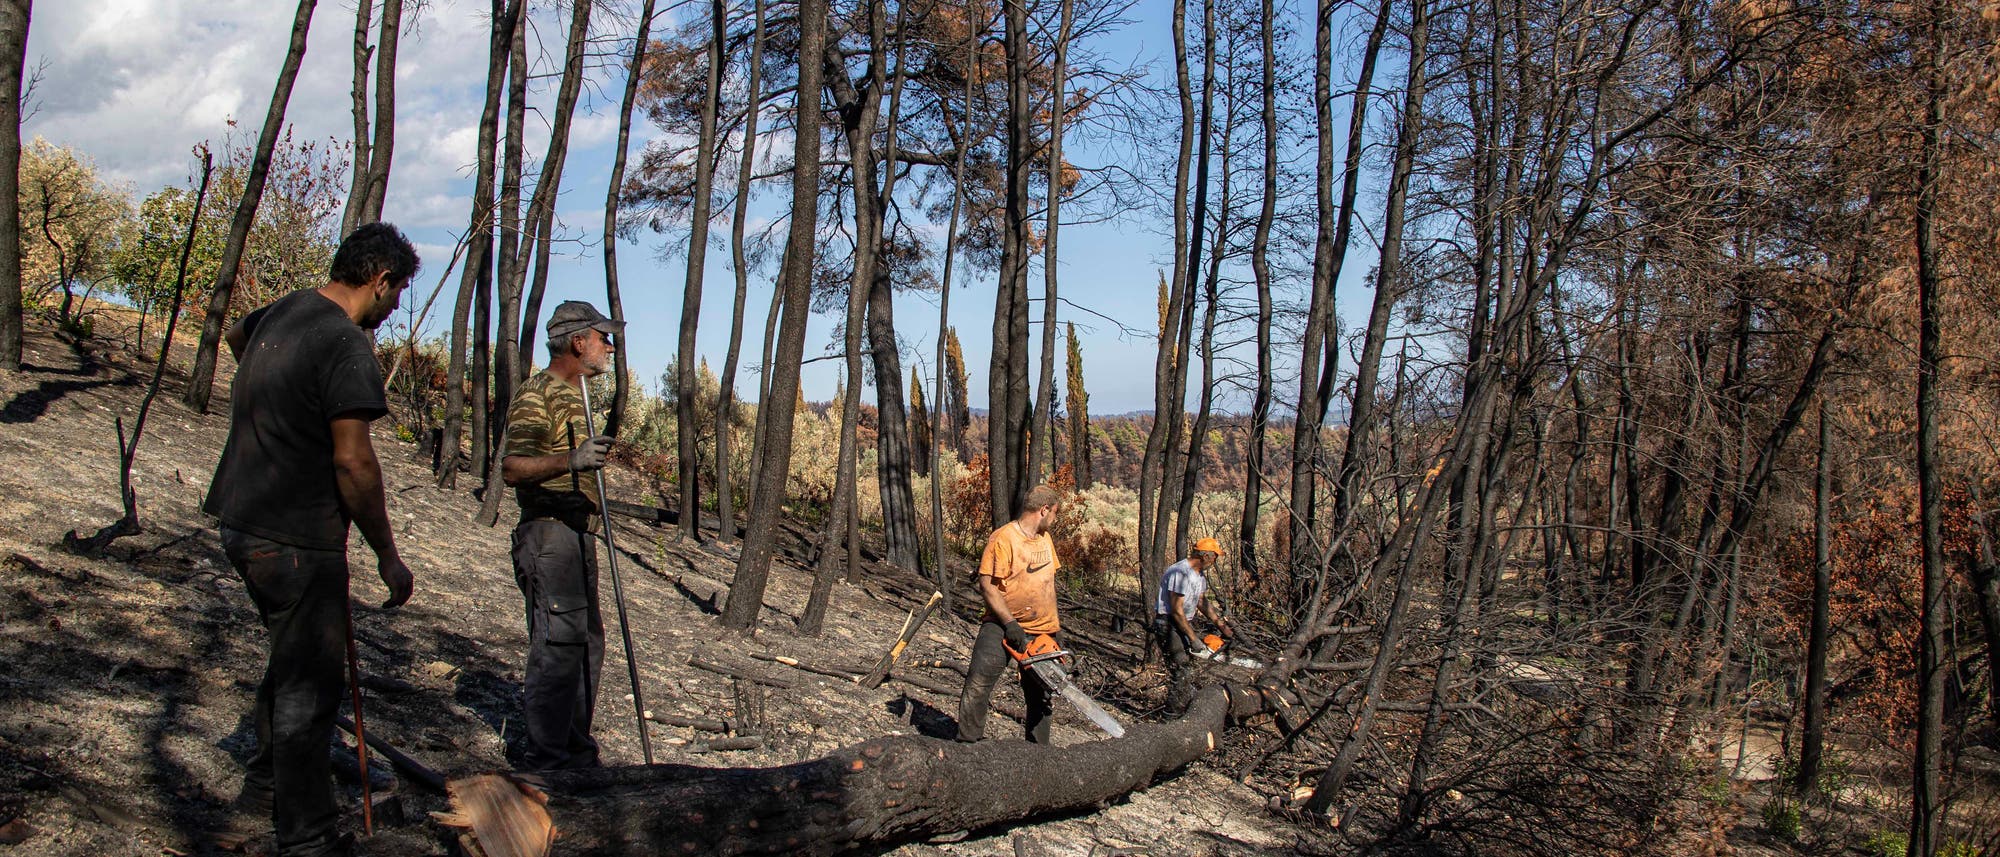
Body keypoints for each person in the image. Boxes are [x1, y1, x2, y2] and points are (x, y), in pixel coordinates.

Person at [205, 222, 421, 857]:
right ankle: (307, 837)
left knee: (290, 661)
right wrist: (386, 552)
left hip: (240, 519)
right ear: (380, 281)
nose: (396, 304)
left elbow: (237, 334)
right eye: (399, 290)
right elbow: (354, 463)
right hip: (295, 535)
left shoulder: (287, 312)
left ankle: (263, 792)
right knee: (310, 686)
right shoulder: (346, 347)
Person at [500, 300, 623, 769]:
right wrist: (568, 462)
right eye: (602, 337)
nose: (609, 347)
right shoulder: (539, 394)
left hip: (577, 536)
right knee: (557, 645)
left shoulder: (579, 396)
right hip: (549, 535)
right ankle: (546, 762)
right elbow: (512, 468)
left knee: (586, 643)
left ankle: (574, 750)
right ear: (578, 342)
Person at [957, 484, 1066, 744]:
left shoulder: (1045, 539)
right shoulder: (1003, 538)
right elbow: (988, 586)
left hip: (1042, 630)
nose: (1055, 519)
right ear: (1044, 510)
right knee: (979, 682)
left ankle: (1037, 754)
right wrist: (1010, 623)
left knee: (1041, 694)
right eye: (1055, 513)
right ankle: (967, 743)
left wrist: (1055, 627)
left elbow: (1047, 585)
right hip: (1002, 624)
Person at [1152, 537, 1234, 714]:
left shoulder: (1199, 576)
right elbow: (1176, 610)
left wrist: (1223, 627)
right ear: (1205, 556)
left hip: (1181, 623)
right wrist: (1194, 639)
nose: (1215, 561)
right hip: (1168, 623)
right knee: (1182, 669)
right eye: (1214, 557)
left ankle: (1182, 708)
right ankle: (1171, 715)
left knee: (1187, 669)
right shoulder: (1179, 573)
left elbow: (1202, 602)